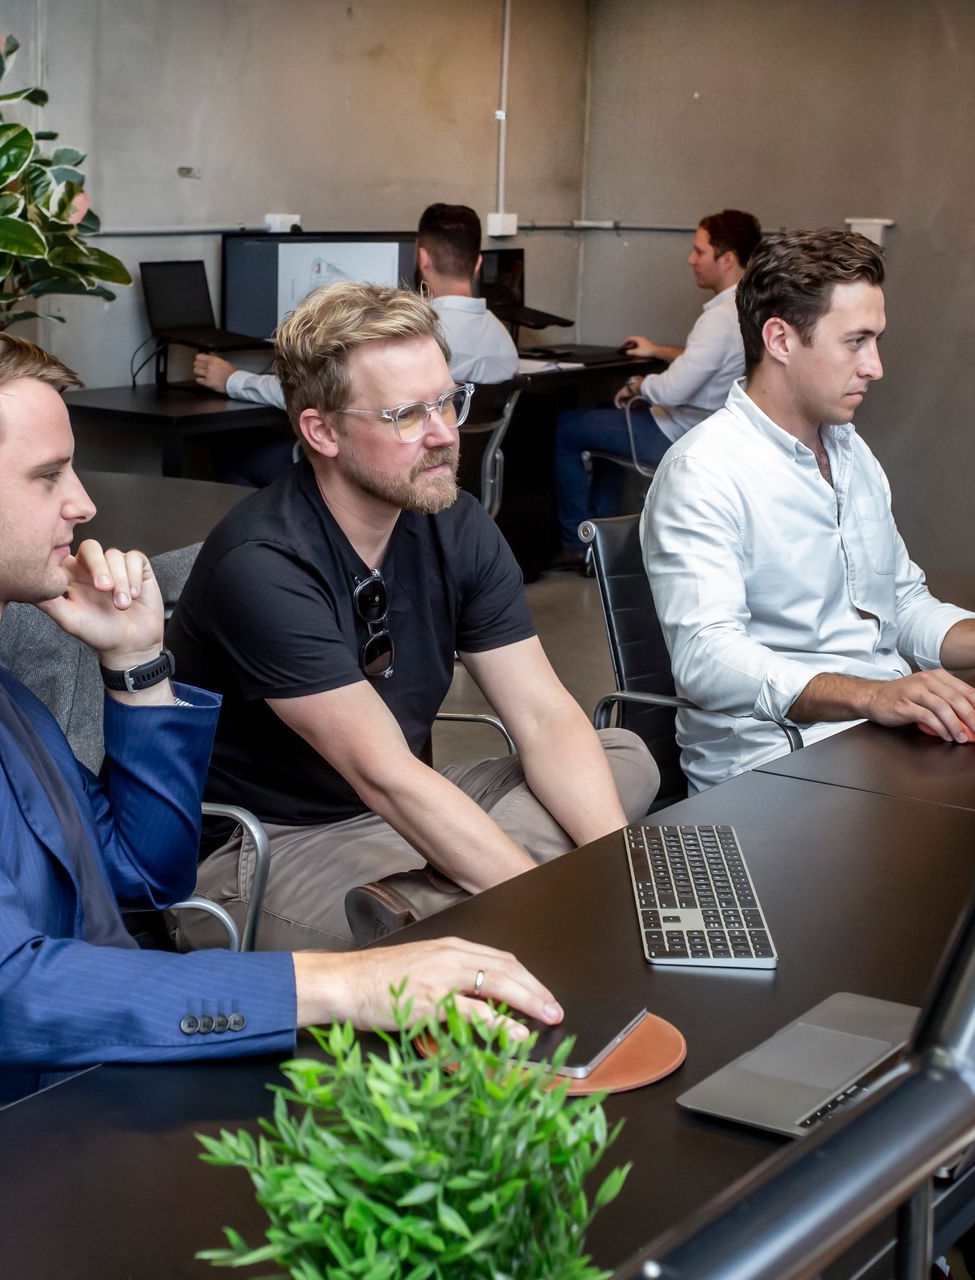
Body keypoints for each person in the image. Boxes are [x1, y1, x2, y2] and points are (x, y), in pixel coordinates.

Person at [0, 328, 563, 1199]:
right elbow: (0, 995)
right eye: (49, 476)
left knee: (470, 1126)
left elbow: (147, 874)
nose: (82, 504)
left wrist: (136, 669)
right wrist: (341, 982)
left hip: (96, 1088)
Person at [167, 281, 658, 951]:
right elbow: (384, 773)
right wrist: (548, 914)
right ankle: (457, 897)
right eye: (406, 415)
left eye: (448, 401)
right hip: (265, 843)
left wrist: (627, 881)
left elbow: (544, 716)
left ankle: (436, 894)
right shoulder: (263, 563)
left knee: (622, 755)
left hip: (398, 809)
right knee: (473, 911)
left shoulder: (454, 522)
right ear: (322, 430)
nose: (445, 434)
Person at [639, 228, 975, 793]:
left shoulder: (849, 451)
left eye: (876, 341)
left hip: (878, 737)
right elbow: (706, 658)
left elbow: (901, 606)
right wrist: (871, 695)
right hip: (774, 766)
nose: (875, 367)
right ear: (780, 339)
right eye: (855, 342)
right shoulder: (705, 470)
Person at [552, 209, 761, 565]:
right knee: (603, 415)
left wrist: (638, 385)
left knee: (566, 428)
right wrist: (657, 351)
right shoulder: (748, 308)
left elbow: (672, 391)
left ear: (726, 259)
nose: (691, 259)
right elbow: (708, 360)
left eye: (699, 251)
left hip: (675, 432)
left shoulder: (718, 319)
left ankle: (576, 543)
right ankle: (601, 542)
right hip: (708, 429)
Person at [193, 203, 519, 410]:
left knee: (237, 460)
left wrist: (233, 379)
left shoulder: (412, 338)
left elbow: (317, 394)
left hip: (387, 479)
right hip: (456, 479)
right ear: (478, 264)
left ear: (421, 259)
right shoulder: (504, 342)